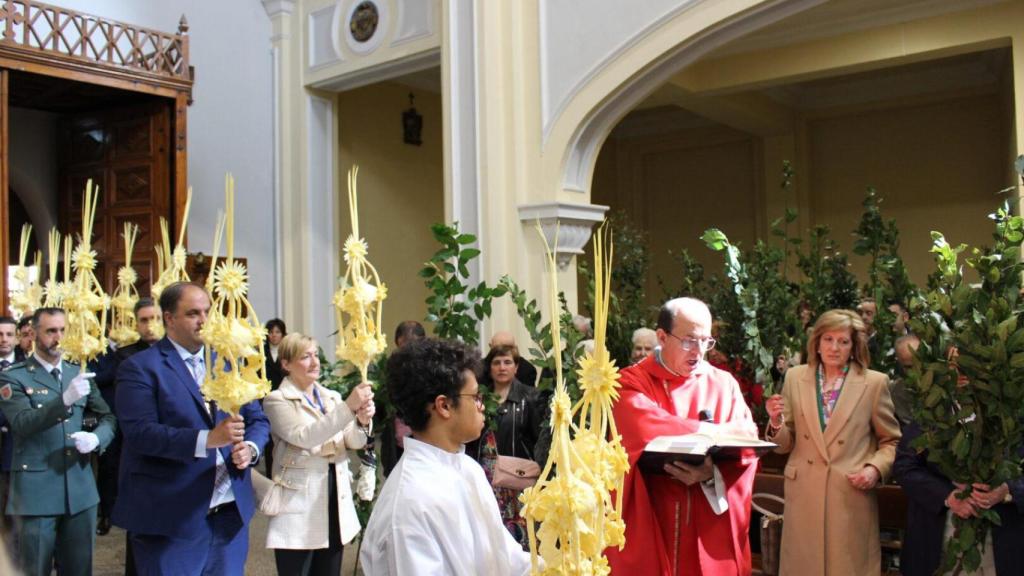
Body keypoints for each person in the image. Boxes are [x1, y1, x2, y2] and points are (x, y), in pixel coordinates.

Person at [113, 282, 270, 576]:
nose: (204, 320)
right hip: (172, 515)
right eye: (193, 313)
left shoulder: (226, 362)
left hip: (229, 512)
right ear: (169, 319)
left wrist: (250, 448)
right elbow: (141, 434)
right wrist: (208, 439)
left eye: (207, 312)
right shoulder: (141, 367)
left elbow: (257, 419)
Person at [607, 297, 759, 575]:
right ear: (662, 337)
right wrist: (712, 432)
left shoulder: (723, 385)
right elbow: (642, 425)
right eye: (689, 340)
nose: (699, 351)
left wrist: (711, 474)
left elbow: (747, 440)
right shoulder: (630, 382)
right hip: (654, 516)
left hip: (706, 520)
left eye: (706, 341)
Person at [360, 338, 532, 576]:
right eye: (475, 397)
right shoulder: (410, 502)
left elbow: (505, 556)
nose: (481, 406)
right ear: (444, 406)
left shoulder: (467, 467)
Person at [765, 309, 901, 575]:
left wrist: (874, 469)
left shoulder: (874, 383)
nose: (834, 348)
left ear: (854, 346)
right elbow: (784, 445)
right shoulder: (795, 377)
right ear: (816, 342)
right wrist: (776, 422)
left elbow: (891, 441)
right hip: (804, 496)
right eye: (828, 339)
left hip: (849, 497)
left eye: (843, 341)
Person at [0, 307, 117, 576]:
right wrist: (64, 400)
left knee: (79, 569)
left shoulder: (78, 372)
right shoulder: (14, 376)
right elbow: (23, 423)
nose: (58, 337)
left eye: (63, 330)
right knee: (34, 568)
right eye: (51, 331)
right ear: (32, 334)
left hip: (79, 487)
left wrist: (96, 439)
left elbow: (108, 417)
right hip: (36, 490)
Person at [262, 332, 374, 575]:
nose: (314, 362)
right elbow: (305, 437)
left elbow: (353, 441)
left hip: (334, 496)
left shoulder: (331, 397)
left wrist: (363, 421)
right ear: (286, 364)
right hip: (299, 502)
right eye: (305, 357)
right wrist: (349, 407)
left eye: (315, 355)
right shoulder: (277, 400)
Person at [894, 421, 1024, 575]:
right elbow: (905, 467)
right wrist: (948, 496)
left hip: (1005, 546)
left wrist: (1007, 490)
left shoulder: (1017, 412)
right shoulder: (932, 411)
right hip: (938, 542)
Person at [92, 298, 162, 537]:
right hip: (131, 425)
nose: (150, 325)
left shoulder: (178, 352)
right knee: (114, 469)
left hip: (168, 425)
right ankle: (110, 513)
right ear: (136, 324)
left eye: (156, 319)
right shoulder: (126, 354)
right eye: (144, 320)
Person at [466, 344, 545, 546]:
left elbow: (538, 440)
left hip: (519, 481)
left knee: (523, 538)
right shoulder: (479, 398)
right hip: (487, 479)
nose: (502, 367)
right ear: (489, 367)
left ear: (516, 367)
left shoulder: (531, 397)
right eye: (497, 362)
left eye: (508, 362)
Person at [380, 320, 426, 476]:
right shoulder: (387, 370)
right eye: (404, 346)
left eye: (414, 346)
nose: (409, 352)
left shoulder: (432, 369)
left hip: (425, 444)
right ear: (397, 344)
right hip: (397, 446)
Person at [889, 333, 920, 428]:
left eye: (919, 363)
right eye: (909, 367)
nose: (916, 371)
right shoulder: (897, 391)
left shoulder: (946, 382)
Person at [264, 318, 287, 391]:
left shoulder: (287, 351)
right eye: (271, 332)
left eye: (277, 332)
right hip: (265, 392)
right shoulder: (261, 352)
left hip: (283, 391)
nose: (274, 335)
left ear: (283, 334)